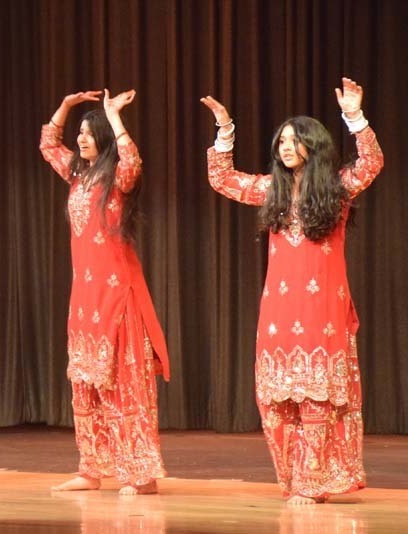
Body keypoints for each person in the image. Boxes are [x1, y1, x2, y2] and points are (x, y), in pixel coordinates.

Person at [200, 77, 384, 505]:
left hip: (323, 307)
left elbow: (372, 162)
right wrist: (225, 128)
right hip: (279, 309)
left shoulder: (336, 187)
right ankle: (295, 478)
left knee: (318, 394)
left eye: (293, 140)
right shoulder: (272, 189)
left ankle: (311, 482)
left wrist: (354, 117)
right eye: (280, 141)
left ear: (313, 146)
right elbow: (222, 178)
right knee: (280, 399)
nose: (284, 147)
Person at [40, 89, 170, 495]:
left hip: (118, 295)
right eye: (79, 132)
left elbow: (132, 160)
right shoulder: (79, 175)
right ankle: (91, 469)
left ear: (104, 139)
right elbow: (48, 145)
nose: (80, 139)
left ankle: (140, 475)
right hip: (84, 296)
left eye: (88, 133)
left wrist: (113, 117)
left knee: (124, 383)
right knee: (86, 384)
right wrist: (64, 106)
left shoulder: (117, 178)